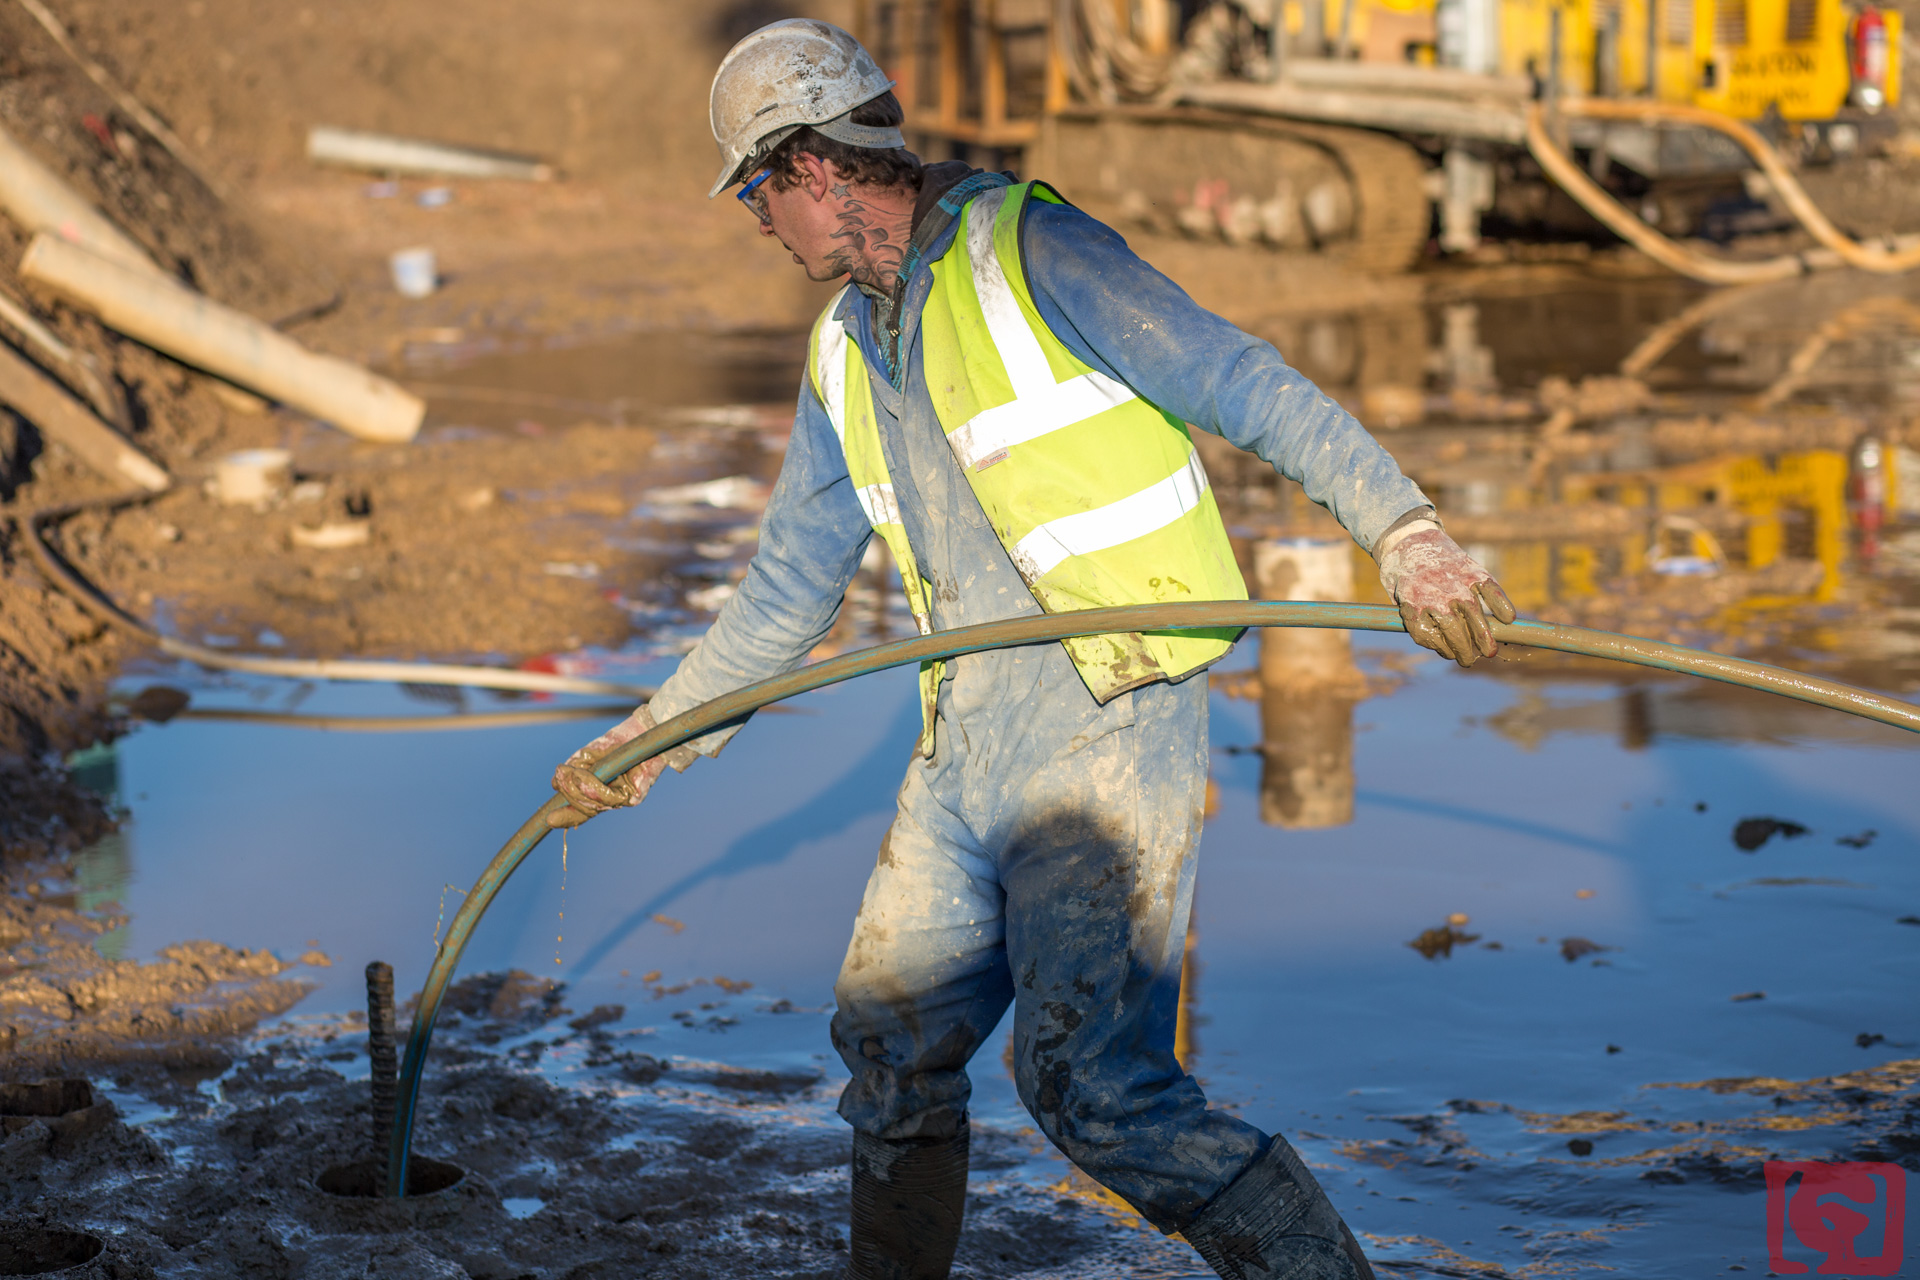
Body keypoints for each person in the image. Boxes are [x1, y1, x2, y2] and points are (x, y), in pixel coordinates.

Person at [550, 19, 1514, 1280]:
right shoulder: (844, 349)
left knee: (1094, 1088)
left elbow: (1242, 381)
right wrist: (650, 736)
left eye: (756, 196)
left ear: (812, 172)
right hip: (964, 739)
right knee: (889, 1047)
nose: (759, 224)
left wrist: (1407, 532)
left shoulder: (1030, 250)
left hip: (1106, 722)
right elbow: (787, 590)